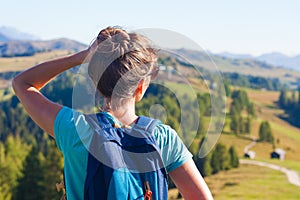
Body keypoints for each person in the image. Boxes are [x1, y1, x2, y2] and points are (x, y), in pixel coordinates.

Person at [12, 26, 213, 200]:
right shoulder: (164, 138)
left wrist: (83, 57)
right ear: (140, 88)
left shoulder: (75, 130)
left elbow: (22, 83)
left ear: (94, 83)